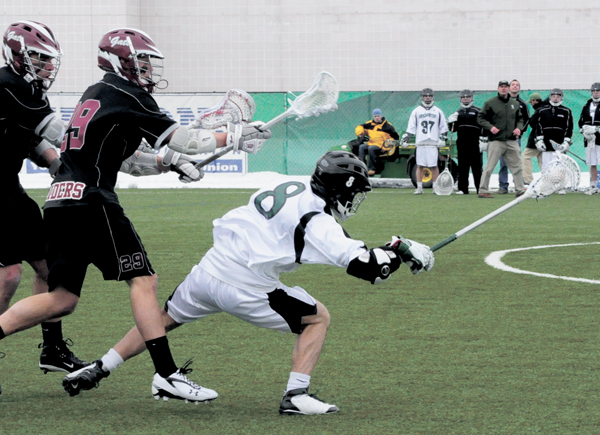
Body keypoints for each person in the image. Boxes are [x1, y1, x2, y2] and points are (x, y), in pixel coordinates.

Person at [0, 27, 271, 403]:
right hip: (91, 202)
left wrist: (167, 163)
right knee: (143, 280)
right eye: (140, 61)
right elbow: (187, 140)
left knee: (60, 298)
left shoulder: (97, 93)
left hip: (60, 202)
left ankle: (150, 371)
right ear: (120, 61)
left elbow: (126, 160)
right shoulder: (129, 95)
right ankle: (167, 374)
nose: (146, 68)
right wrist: (234, 136)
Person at [60, 151, 435, 415]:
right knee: (317, 318)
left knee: (162, 319)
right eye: (353, 192)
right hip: (247, 287)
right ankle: (296, 395)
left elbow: (326, 234)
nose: (354, 200)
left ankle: (100, 367)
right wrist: (399, 250)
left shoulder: (291, 185)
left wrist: (391, 250)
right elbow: (368, 269)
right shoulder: (319, 221)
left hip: (210, 268)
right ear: (340, 188)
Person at [0, 20, 89, 391]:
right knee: (9, 275)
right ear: (18, 55)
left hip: (10, 191)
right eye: (39, 57)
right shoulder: (9, 84)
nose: (48, 65)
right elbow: (60, 133)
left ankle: (52, 349)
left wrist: (56, 165)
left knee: (50, 268)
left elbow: (34, 140)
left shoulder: (27, 90)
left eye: (49, 58)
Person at [476, 80, 526, 198]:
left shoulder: (515, 103)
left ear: (508, 89)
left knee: (517, 166)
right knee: (489, 167)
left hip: (511, 140)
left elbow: (520, 119)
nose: (503, 88)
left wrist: (518, 128)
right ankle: (483, 190)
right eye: (501, 86)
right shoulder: (490, 103)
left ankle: (520, 190)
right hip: (496, 140)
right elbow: (480, 118)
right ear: (498, 89)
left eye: (505, 86)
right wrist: (490, 127)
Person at [401, 88, 448, 195]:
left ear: (433, 97)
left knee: (434, 166)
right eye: (426, 96)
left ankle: (435, 187)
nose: (427, 98)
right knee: (420, 165)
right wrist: (407, 138)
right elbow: (411, 127)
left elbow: (443, 127)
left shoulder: (438, 111)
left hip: (433, 143)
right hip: (421, 142)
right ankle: (419, 187)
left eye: (429, 96)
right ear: (422, 97)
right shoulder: (416, 111)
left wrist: (443, 138)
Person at [529, 89, 573, 193]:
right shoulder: (542, 110)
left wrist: (566, 142)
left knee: (560, 166)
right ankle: (547, 186)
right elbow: (538, 126)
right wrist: (539, 140)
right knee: (546, 167)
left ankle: (561, 187)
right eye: (553, 96)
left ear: (561, 97)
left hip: (559, 144)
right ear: (550, 97)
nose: (556, 98)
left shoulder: (566, 111)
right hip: (546, 144)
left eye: (558, 96)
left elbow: (569, 128)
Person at [494, 80, 530, 194]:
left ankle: (518, 186)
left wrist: (519, 130)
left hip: (515, 139)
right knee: (503, 163)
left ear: (519, 88)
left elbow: (526, 119)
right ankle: (503, 186)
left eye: (517, 85)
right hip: (501, 138)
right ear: (509, 88)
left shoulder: (522, 104)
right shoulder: (501, 102)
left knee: (516, 163)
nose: (515, 86)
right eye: (513, 85)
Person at [446, 89, 484, 194]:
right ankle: (463, 189)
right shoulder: (458, 112)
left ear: (471, 98)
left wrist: (483, 139)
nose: (465, 99)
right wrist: (451, 122)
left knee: (477, 168)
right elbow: (453, 129)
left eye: (468, 97)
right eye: (463, 97)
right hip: (462, 144)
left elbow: (483, 126)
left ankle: (480, 188)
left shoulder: (477, 111)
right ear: (461, 99)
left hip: (475, 143)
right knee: (463, 167)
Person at [355, 108, 399, 176]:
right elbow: (360, 127)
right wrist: (360, 134)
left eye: (378, 116)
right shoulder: (369, 124)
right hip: (371, 143)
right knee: (362, 147)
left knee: (371, 148)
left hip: (381, 146)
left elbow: (395, 138)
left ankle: (372, 169)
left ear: (381, 116)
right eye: (375, 116)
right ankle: (362, 167)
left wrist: (385, 148)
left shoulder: (388, 126)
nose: (377, 118)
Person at [521, 93, 548, 185]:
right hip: (546, 139)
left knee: (526, 156)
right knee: (542, 160)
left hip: (536, 139)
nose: (531, 104)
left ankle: (528, 179)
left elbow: (533, 123)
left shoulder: (539, 111)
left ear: (535, 101)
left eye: (531, 102)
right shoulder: (546, 108)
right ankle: (547, 179)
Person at [578, 82, 600, 195]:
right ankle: (593, 185)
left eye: (598, 90)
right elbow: (581, 122)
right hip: (590, 139)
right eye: (593, 91)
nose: (595, 92)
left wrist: (597, 128)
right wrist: (583, 130)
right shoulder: (586, 106)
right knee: (592, 163)